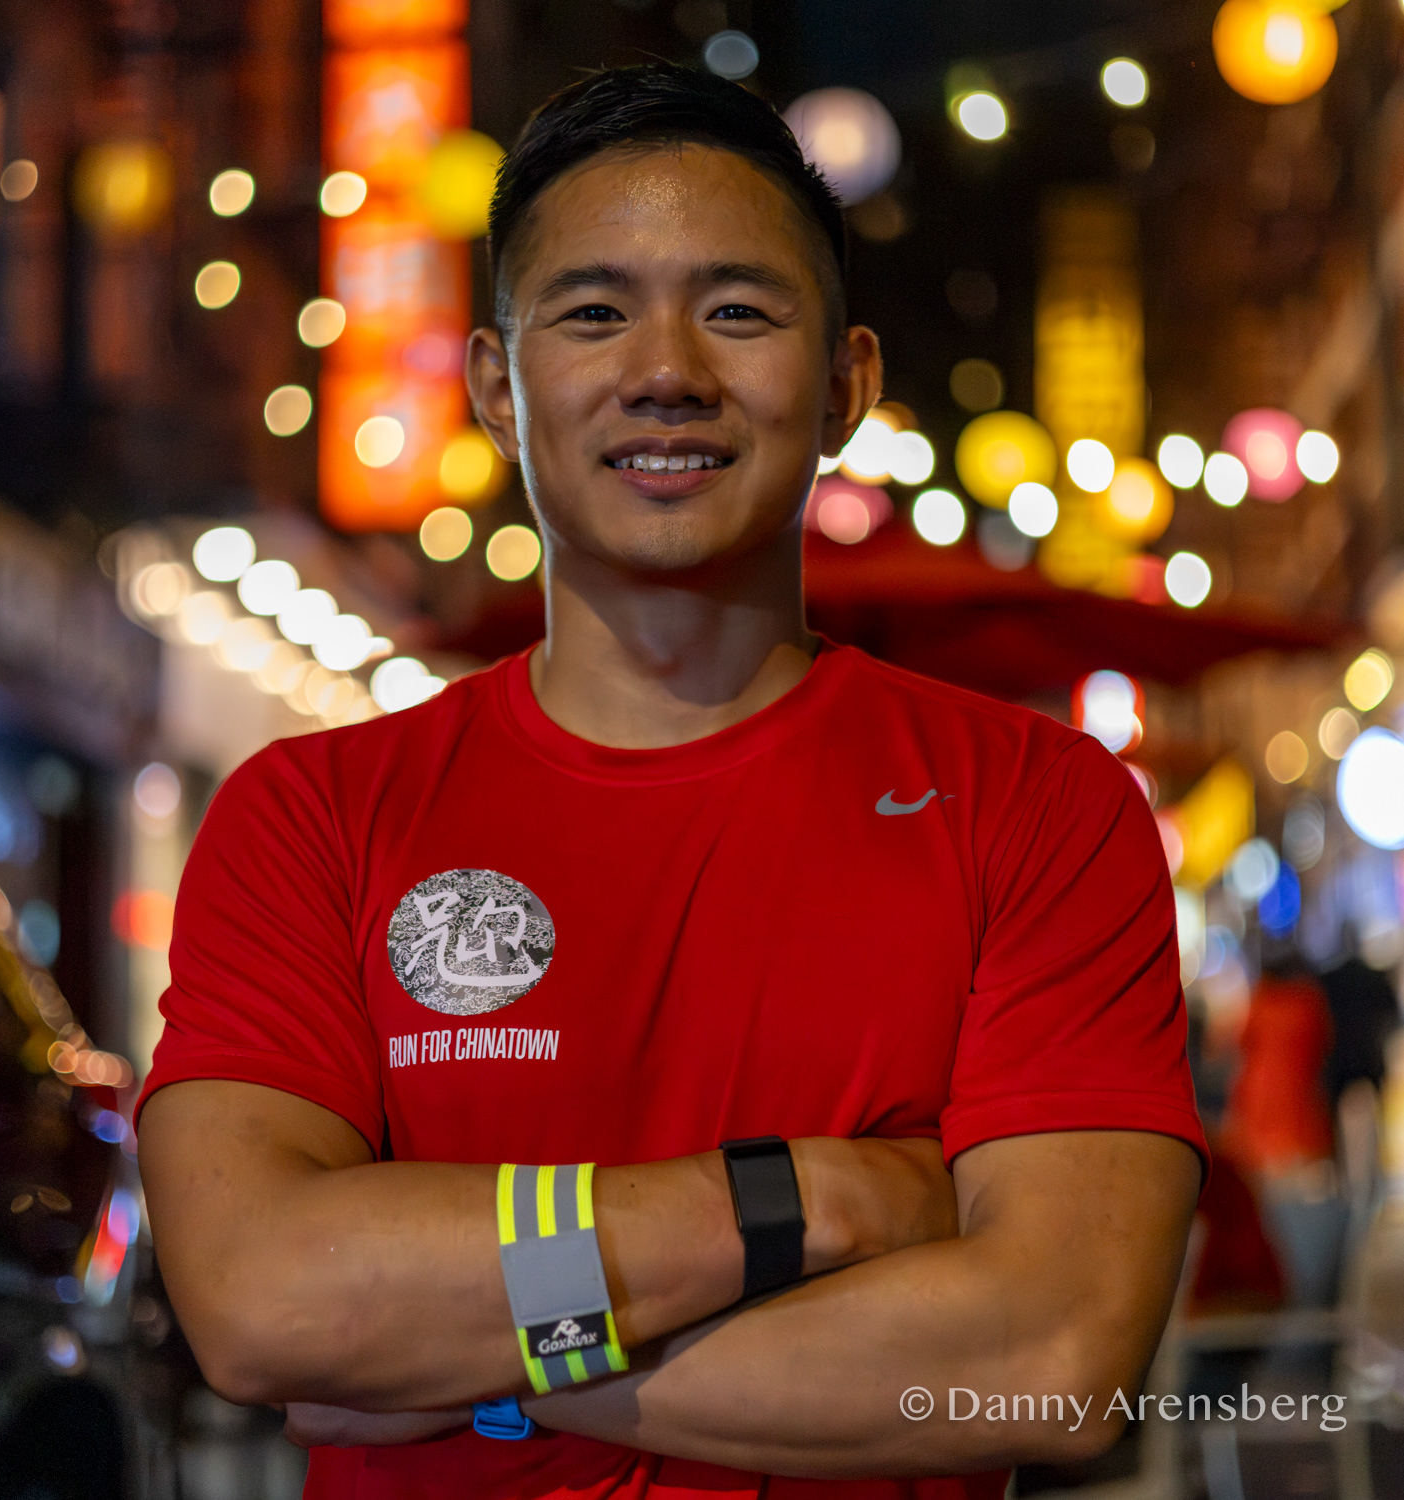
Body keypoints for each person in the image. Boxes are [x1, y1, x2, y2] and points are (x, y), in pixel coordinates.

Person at [136, 63, 1205, 1500]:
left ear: (844, 387)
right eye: (591, 311)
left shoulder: (1038, 805)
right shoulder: (310, 815)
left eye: (737, 310)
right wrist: (810, 1202)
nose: (663, 370)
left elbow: (1048, 1364)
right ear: (497, 393)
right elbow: (263, 1302)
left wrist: (481, 1381)